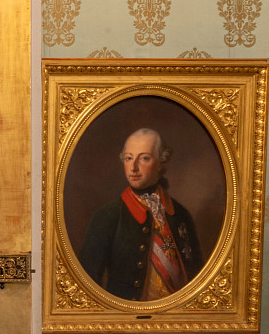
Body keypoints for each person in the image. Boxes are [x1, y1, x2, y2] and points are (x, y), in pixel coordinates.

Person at [76, 126, 204, 300]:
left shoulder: (181, 215)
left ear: (160, 162)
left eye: (144, 158)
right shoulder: (106, 217)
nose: (133, 167)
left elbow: (197, 274)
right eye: (129, 158)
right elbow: (87, 286)